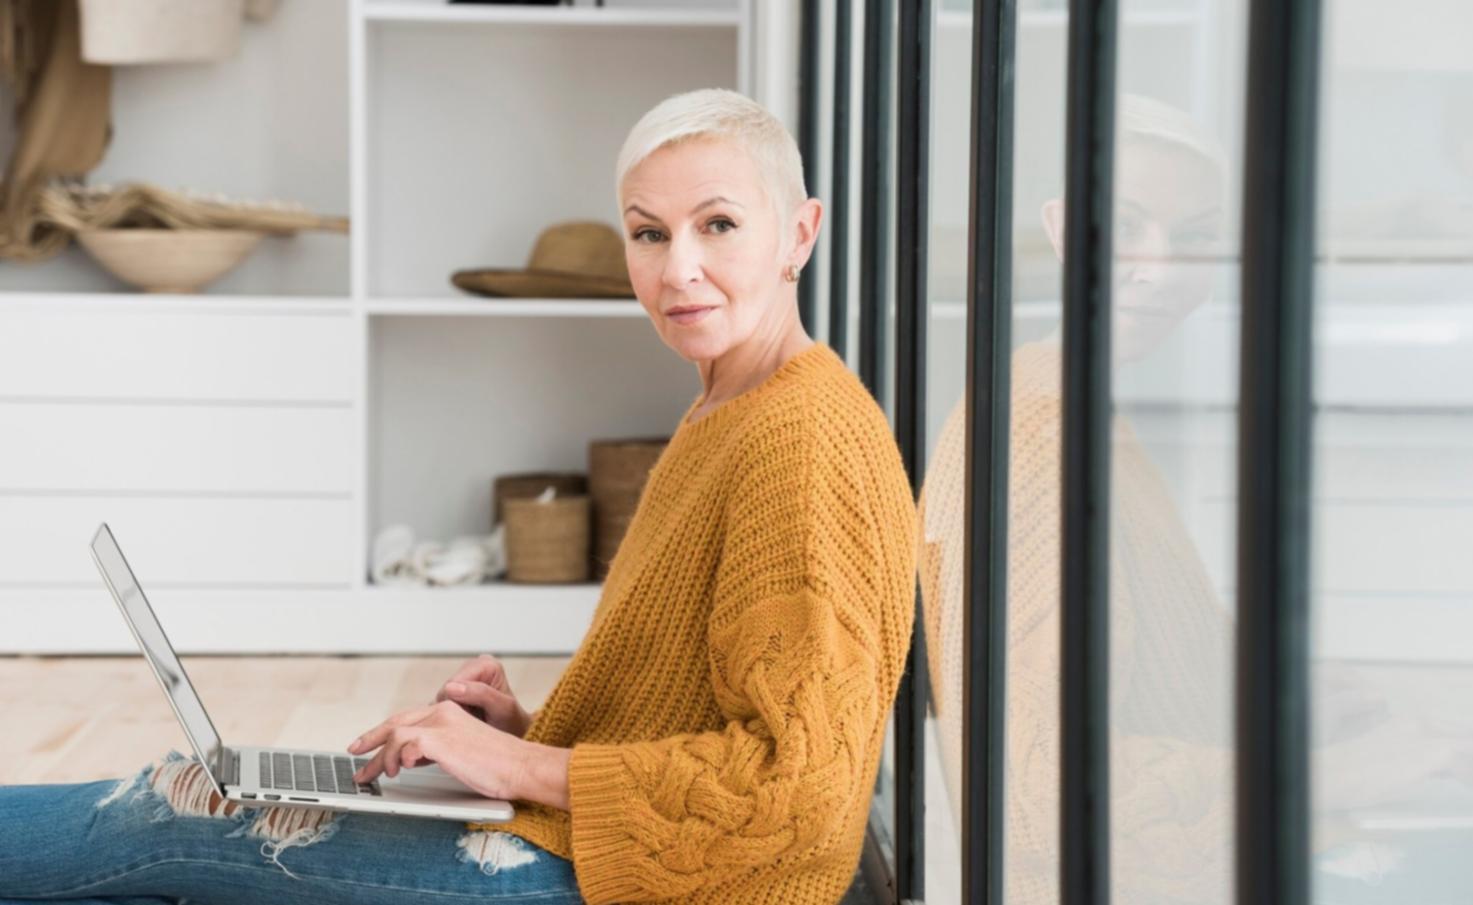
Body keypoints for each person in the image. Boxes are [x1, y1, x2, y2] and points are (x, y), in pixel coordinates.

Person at [0, 88, 919, 905]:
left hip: (653, 880)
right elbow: (700, 712)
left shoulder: (801, 446)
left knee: (174, 813)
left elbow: (798, 793)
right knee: (176, 813)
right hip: (610, 847)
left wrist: (517, 764)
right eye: (648, 231)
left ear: (799, 232)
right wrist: (518, 734)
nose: (677, 267)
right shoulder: (732, 406)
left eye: (717, 224)